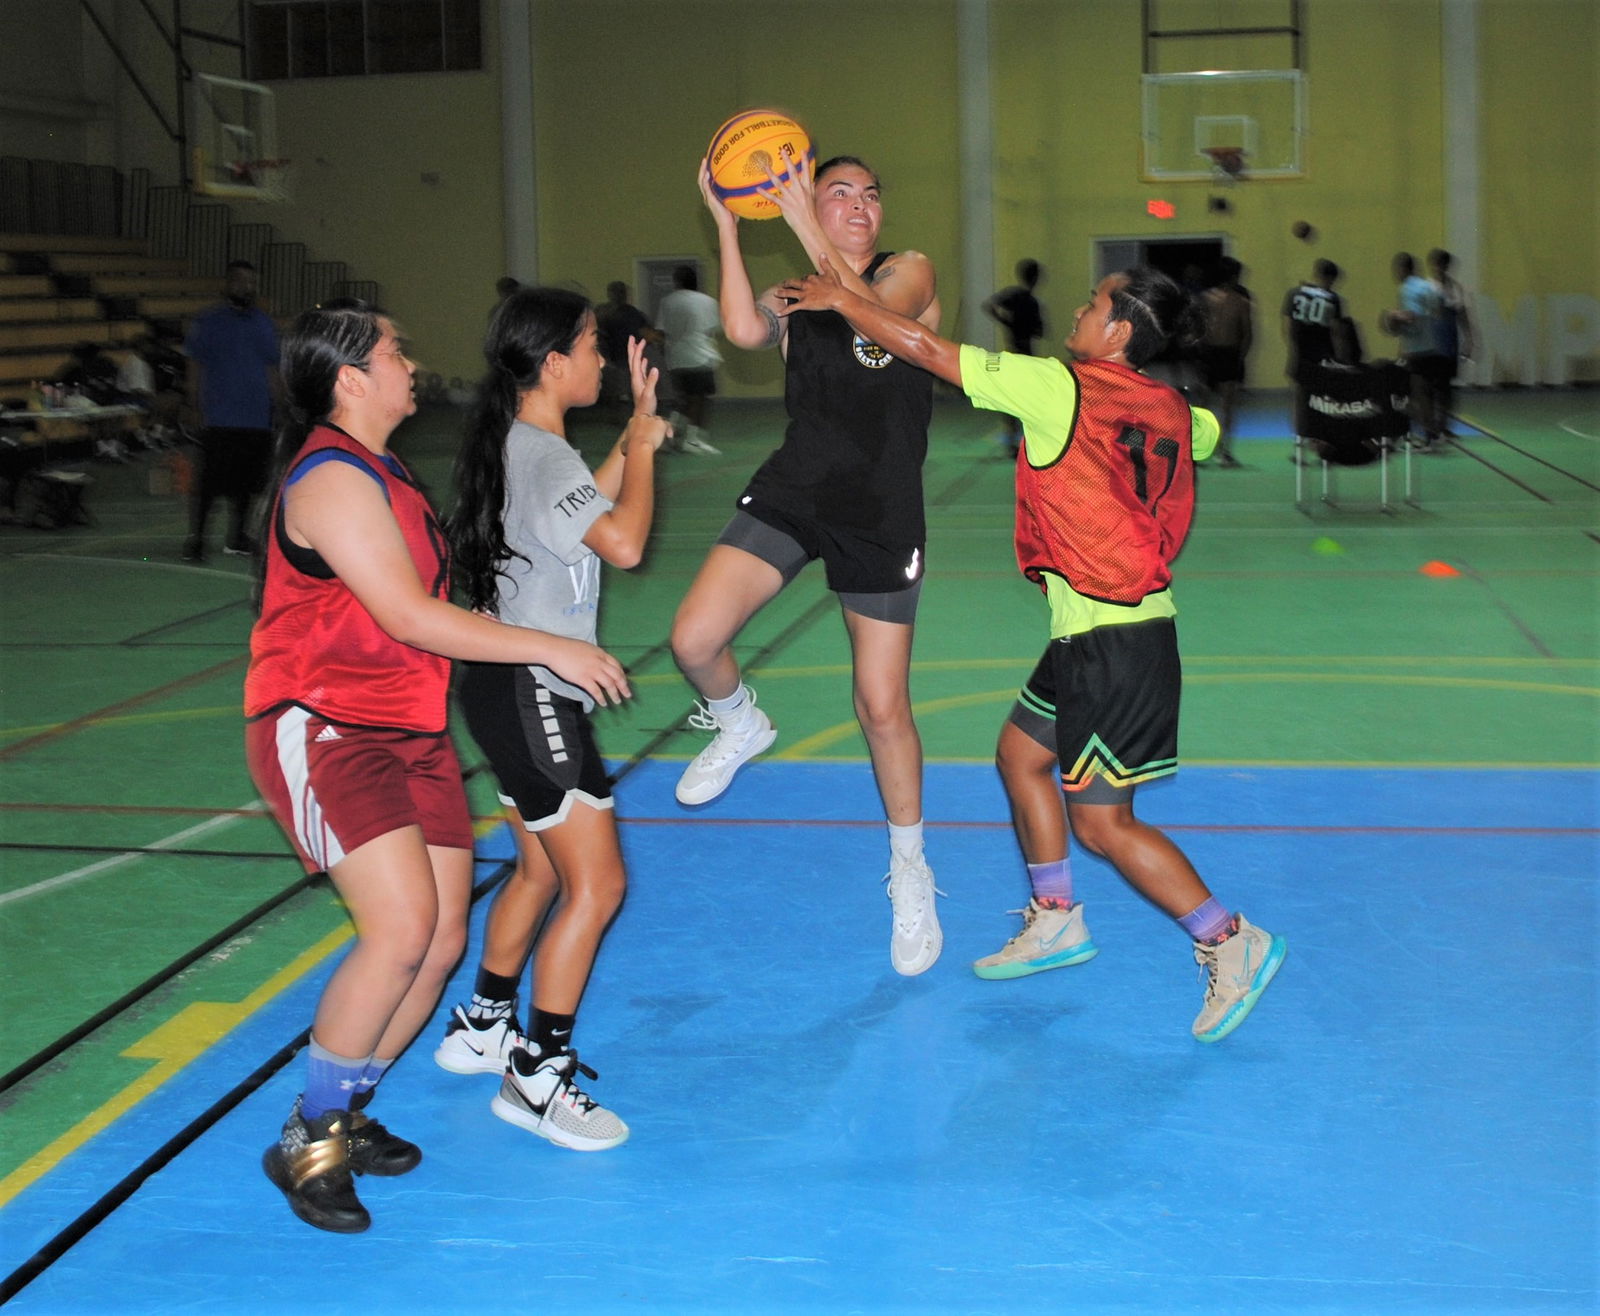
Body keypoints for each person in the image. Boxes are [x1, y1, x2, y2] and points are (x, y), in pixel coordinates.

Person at [778, 259, 1287, 1042]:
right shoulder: (1175, 407)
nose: (1077, 316)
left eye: (1092, 307)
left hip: (1114, 639)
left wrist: (844, 299)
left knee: (1106, 824)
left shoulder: (1061, 387)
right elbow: (1203, 434)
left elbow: (926, 347)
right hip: (1098, 630)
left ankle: (1229, 939)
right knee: (1020, 757)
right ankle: (1055, 918)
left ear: (1118, 332)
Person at [246, 298, 630, 1234]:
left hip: (408, 728)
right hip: (326, 724)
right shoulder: (331, 479)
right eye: (394, 350)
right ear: (349, 379)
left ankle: (345, 1107)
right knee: (401, 928)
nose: (410, 363)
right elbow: (409, 616)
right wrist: (552, 647)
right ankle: (310, 1136)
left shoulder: (387, 472)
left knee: (443, 939)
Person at [673, 152, 943, 976]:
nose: (860, 205)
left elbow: (866, 311)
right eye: (839, 194)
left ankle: (910, 869)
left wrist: (799, 223)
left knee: (880, 704)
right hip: (798, 488)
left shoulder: (909, 270)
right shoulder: (794, 289)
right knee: (693, 640)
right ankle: (740, 720)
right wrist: (726, 218)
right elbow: (746, 330)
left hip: (879, 507)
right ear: (809, 203)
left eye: (870, 193)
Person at [432, 288, 669, 1150]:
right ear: (554, 362)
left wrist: (628, 437)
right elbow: (627, 541)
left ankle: (483, 1022)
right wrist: (643, 448)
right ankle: (536, 1076)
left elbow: (581, 520)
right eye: (593, 347)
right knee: (597, 885)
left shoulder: (523, 447)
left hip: (500, 691)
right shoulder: (541, 453)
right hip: (535, 694)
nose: (604, 360)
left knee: (536, 873)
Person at [182, 260, 278, 561]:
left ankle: (237, 537)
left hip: (257, 419)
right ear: (227, 284)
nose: (246, 287)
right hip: (220, 417)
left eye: (251, 282)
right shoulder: (208, 322)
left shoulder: (264, 323)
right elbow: (194, 365)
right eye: (239, 281)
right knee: (209, 484)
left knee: (249, 485)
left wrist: (280, 405)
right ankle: (196, 539)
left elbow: (273, 367)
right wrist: (193, 403)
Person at [1282, 259, 1352, 443]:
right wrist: (1342, 359)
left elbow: (1287, 326)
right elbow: (1337, 332)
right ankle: (1319, 439)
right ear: (1330, 278)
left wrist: (1293, 348)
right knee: (1322, 399)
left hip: (1300, 353)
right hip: (1323, 354)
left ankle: (1299, 441)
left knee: (1299, 397)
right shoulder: (1332, 298)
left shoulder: (1294, 293)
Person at [656, 264, 723, 455]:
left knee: (683, 399)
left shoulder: (667, 301)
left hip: (676, 358)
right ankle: (691, 440)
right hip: (699, 357)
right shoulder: (707, 301)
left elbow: (662, 330)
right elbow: (712, 330)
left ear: (677, 282)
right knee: (699, 400)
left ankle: (668, 434)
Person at [982, 259, 1046, 458]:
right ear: (1035, 278)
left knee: (1011, 398)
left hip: (1012, 354)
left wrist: (1006, 322)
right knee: (1027, 399)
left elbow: (989, 305)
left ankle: (1013, 439)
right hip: (1026, 356)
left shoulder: (1014, 296)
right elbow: (1040, 332)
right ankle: (1024, 440)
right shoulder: (1031, 302)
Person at [1195, 257, 1254, 467]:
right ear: (1233, 276)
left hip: (1220, 355)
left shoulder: (1234, 301)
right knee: (1216, 406)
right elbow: (1247, 335)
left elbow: (1246, 334)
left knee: (1211, 405)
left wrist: (1238, 358)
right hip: (1221, 355)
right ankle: (1215, 452)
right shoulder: (1238, 301)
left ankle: (1217, 452)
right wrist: (1240, 357)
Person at [1388, 251, 1449, 449]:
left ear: (1403, 269)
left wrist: (1394, 316)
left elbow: (1412, 316)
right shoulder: (1428, 287)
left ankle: (1428, 436)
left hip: (1415, 351)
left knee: (1409, 396)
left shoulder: (1407, 289)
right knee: (1425, 396)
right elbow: (1438, 312)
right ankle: (1431, 434)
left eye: (1396, 269)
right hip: (1432, 347)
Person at [1427, 248, 1474, 437]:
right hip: (1430, 345)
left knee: (1447, 388)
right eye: (1438, 264)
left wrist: (1469, 340)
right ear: (1433, 265)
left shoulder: (1456, 288)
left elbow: (1462, 315)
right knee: (1431, 387)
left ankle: (1444, 425)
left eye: (1444, 265)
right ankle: (1430, 427)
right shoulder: (1426, 288)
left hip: (1449, 345)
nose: (1441, 268)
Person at [595, 280, 660, 413]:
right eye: (617, 292)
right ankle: (617, 416)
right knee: (615, 390)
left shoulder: (631, 312)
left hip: (630, 356)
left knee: (630, 388)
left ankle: (627, 416)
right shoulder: (604, 313)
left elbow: (645, 332)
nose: (620, 295)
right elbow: (597, 336)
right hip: (612, 356)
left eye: (622, 292)